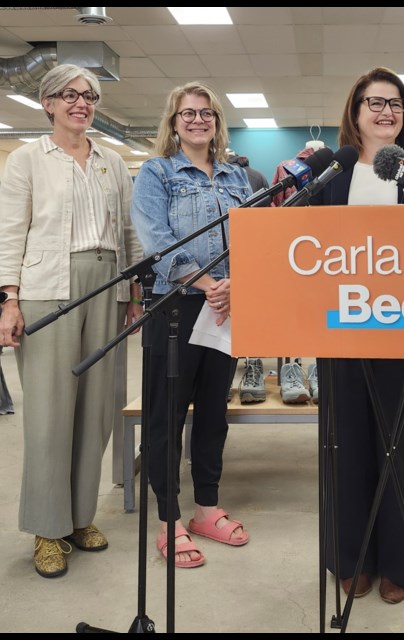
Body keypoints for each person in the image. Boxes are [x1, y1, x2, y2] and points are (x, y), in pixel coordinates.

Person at [0, 64, 143, 579]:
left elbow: (127, 231)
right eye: (69, 95)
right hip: (48, 289)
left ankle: (80, 517)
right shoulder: (28, 160)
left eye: (90, 96)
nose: (81, 103)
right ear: (48, 103)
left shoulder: (111, 161)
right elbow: (10, 231)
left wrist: (134, 291)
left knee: (97, 408)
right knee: (52, 411)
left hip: (107, 284)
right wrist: (9, 300)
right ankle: (46, 527)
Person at [309, 67, 404, 605]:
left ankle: (402, 563)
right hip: (340, 328)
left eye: (397, 104)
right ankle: (349, 556)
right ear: (355, 111)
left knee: (403, 445)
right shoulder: (329, 175)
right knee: (346, 442)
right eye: (375, 103)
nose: (386, 112)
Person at [130, 81, 253, 568]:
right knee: (165, 416)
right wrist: (209, 283)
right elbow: (156, 239)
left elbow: (254, 235)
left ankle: (207, 508)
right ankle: (168, 519)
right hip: (177, 306)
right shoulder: (156, 173)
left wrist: (235, 284)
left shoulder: (237, 179)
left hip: (226, 310)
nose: (198, 120)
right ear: (174, 121)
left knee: (213, 415)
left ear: (217, 122)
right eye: (188, 113)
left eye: (206, 113)